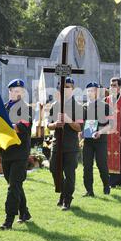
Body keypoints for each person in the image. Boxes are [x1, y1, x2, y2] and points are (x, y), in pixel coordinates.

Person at [0, 79, 32, 230]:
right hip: (6, 152)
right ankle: (24, 212)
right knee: (14, 185)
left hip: (20, 153)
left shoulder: (25, 108)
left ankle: (8, 220)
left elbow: (21, 127)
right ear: (9, 91)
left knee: (13, 186)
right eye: (15, 91)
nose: (18, 94)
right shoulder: (2, 108)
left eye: (20, 91)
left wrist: (7, 126)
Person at [48, 77, 84, 211]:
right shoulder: (54, 105)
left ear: (73, 89)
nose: (65, 89)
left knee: (69, 174)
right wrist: (55, 124)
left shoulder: (78, 107)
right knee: (53, 170)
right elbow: (48, 125)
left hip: (70, 146)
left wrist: (68, 120)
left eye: (68, 87)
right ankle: (63, 193)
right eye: (62, 87)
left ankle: (67, 199)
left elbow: (79, 127)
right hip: (57, 144)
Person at [82, 82, 112, 197]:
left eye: (93, 90)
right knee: (87, 166)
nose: (90, 93)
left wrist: (100, 132)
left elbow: (110, 125)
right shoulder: (84, 106)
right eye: (89, 90)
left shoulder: (105, 106)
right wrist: (81, 132)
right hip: (88, 141)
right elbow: (82, 123)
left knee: (102, 164)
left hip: (100, 140)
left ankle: (106, 185)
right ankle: (89, 190)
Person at [106, 77, 121, 188]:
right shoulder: (105, 100)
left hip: (120, 136)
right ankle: (110, 181)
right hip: (108, 135)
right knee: (108, 158)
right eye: (111, 85)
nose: (112, 87)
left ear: (119, 87)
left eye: (115, 85)